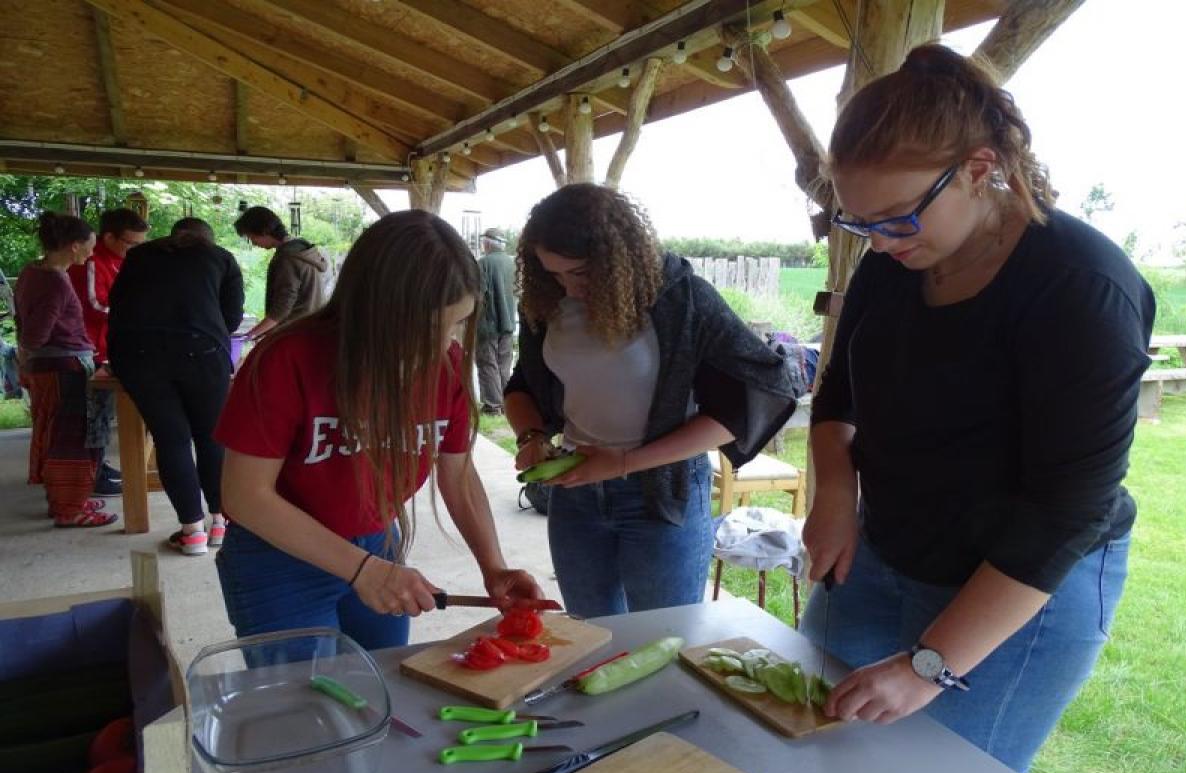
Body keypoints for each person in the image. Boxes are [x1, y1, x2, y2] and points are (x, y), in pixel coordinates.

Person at [799, 44, 1155, 773]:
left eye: (897, 217)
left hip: (1021, 584)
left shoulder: (1081, 289)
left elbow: (1067, 509)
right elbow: (839, 393)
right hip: (887, 549)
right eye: (859, 222)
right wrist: (836, 490)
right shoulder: (892, 263)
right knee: (814, 747)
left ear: (980, 169)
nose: (880, 241)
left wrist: (930, 664)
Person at [213, 210, 545, 648]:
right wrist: (361, 569)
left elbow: (459, 475)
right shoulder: (287, 359)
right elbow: (245, 496)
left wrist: (493, 567)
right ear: (374, 310)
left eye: (456, 323)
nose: (445, 343)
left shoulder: (444, 366)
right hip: (279, 557)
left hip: (376, 543)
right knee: (305, 708)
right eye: (429, 327)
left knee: (383, 690)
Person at [504, 184, 796, 619]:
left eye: (580, 273)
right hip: (576, 498)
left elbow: (758, 392)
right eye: (554, 274)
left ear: (616, 259)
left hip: (664, 498)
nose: (567, 287)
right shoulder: (548, 306)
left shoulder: (682, 300)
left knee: (663, 638)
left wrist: (623, 463)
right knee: (592, 637)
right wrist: (530, 435)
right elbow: (523, 384)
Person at [107, 218, 244, 555]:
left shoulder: (139, 256)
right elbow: (231, 318)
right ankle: (220, 523)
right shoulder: (221, 258)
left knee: (171, 440)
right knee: (212, 438)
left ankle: (192, 531)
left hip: (141, 356)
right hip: (203, 352)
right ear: (207, 239)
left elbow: (119, 306)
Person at [14, 212, 117, 527]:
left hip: (48, 367)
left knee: (55, 435)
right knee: (72, 439)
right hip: (64, 368)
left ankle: (65, 501)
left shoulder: (32, 271)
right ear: (74, 246)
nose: (90, 254)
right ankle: (70, 510)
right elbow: (36, 334)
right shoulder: (57, 282)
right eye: (89, 247)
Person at [67, 207, 149, 497]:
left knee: (103, 413)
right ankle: (91, 473)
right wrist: (137, 315)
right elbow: (94, 305)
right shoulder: (92, 261)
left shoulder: (122, 261)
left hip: (108, 346)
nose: (135, 249)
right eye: (131, 243)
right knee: (92, 414)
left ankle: (98, 464)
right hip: (88, 347)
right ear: (110, 236)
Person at [234, 206, 329, 340]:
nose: (253, 243)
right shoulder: (303, 251)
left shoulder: (287, 258)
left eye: (251, 237)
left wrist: (251, 335)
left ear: (263, 231)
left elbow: (283, 306)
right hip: (310, 329)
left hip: (294, 333)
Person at [475, 227, 517, 414]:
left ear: (487, 243)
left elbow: (478, 295)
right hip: (508, 324)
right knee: (503, 365)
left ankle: (492, 406)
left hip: (488, 325)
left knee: (487, 364)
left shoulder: (483, 263)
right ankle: (507, 403)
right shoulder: (512, 264)